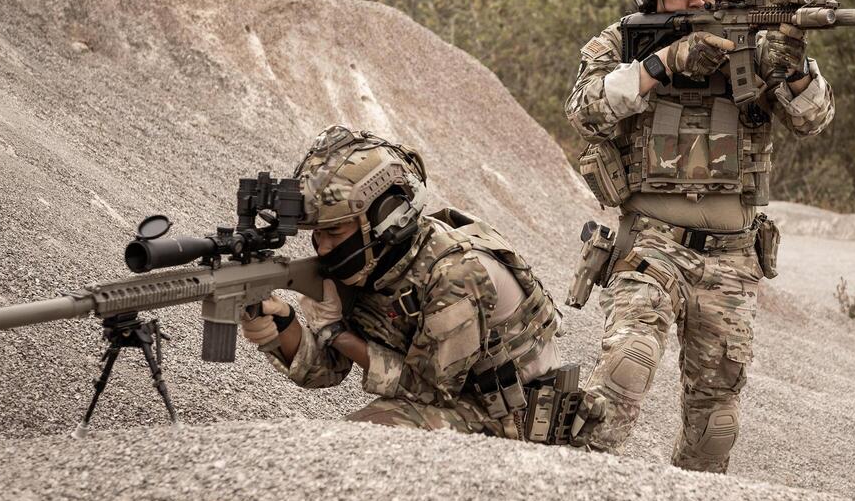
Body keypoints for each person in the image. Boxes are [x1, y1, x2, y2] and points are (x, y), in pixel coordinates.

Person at [564, 0, 835, 472]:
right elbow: (585, 109)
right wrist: (662, 65)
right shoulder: (622, 43)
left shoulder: (756, 45)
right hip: (650, 245)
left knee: (716, 426)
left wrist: (796, 70)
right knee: (623, 373)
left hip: (732, 257)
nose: (700, 0)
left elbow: (813, 120)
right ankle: (570, 498)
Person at [239, 125, 593, 442]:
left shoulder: (454, 273)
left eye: (334, 230)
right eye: (317, 233)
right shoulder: (371, 260)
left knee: (354, 442)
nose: (324, 246)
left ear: (385, 219)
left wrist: (335, 331)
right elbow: (325, 370)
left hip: (515, 420)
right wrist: (281, 324)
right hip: (461, 402)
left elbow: (431, 391)